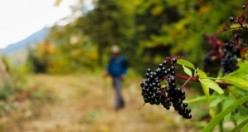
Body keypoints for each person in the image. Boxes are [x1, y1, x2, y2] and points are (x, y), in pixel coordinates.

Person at [103, 45, 128, 110]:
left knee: (118, 90)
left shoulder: (122, 59)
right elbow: (109, 67)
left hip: (119, 77)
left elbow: (125, 68)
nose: (114, 54)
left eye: (116, 53)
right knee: (117, 90)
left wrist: (124, 74)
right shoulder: (111, 59)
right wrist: (106, 72)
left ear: (118, 52)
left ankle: (117, 106)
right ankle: (122, 102)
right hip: (113, 77)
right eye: (113, 53)